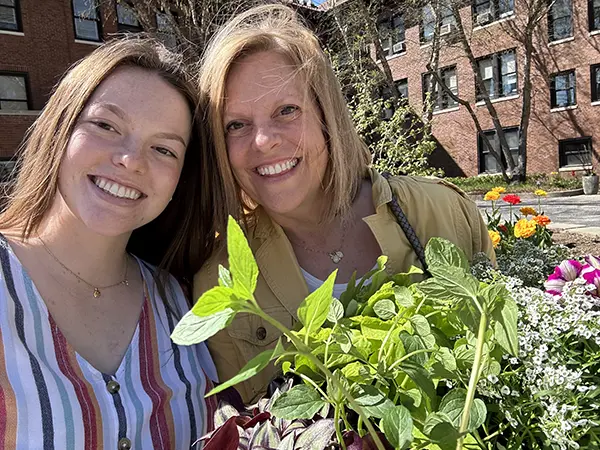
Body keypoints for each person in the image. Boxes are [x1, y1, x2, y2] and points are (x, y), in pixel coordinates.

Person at [194, 4, 495, 403]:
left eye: (287, 110)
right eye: (236, 125)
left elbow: (505, 366)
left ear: (326, 116)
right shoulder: (219, 282)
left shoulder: (444, 213)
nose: (264, 141)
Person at [0, 36, 224, 449]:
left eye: (163, 149)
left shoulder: (179, 304)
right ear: (61, 129)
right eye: (106, 125)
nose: (131, 160)